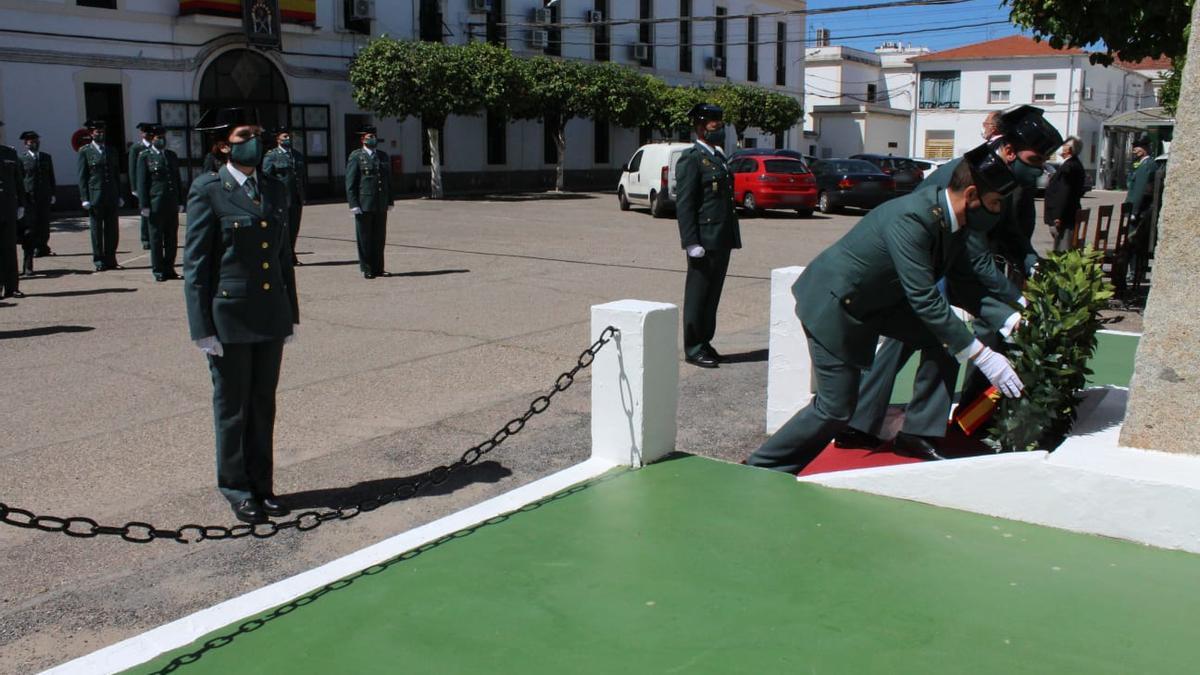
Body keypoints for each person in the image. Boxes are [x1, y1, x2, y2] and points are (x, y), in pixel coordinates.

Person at [746, 148, 1023, 474]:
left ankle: (918, 433)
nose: (997, 213)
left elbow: (964, 286)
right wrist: (982, 355)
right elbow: (924, 298)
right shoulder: (914, 218)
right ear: (972, 195)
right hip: (836, 303)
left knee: (943, 339)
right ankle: (760, 467)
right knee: (835, 409)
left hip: (877, 303)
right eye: (994, 204)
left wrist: (1010, 318)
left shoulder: (955, 223)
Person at [834, 105, 1063, 459]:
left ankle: (904, 427)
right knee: (914, 342)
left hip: (947, 266)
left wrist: (1032, 265)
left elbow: (1011, 233)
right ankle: (862, 424)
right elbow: (975, 258)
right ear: (1009, 149)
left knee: (935, 343)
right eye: (1035, 159)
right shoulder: (974, 174)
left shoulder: (1004, 175)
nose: (1038, 169)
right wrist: (1018, 303)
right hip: (922, 267)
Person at [184, 107, 299, 524]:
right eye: (245, 134)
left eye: (258, 133)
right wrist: (202, 328)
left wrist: (292, 313)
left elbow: (283, 256)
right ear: (222, 146)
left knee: (263, 405)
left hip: (270, 314)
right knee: (233, 408)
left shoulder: (274, 188)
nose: (256, 140)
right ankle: (236, 487)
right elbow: (197, 265)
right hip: (228, 317)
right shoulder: (208, 190)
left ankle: (262, 485)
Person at [674, 102, 741, 368]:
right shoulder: (691, 158)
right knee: (698, 294)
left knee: (713, 295)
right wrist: (690, 242)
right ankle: (693, 347)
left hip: (721, 237)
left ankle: (705, 341)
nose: (719, 128)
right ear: (701, 127)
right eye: (714, 124)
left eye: (720, 123)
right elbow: (686, 204)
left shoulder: (719, 157)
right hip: (703, 239)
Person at [345, 125, 394, 279]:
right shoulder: (356, 156)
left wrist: (390, 200)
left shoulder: (383, 156)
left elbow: (388, 181)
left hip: (380, 203)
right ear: (362, 139)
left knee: (379, 237)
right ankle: (367, 268)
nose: (372, 139)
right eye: (368, 137)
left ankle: (379, 268)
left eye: (373, 136)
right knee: (365, 237)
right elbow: (350, 182)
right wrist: (353, 204)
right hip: (364, 203)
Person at [137, 124, 183, 281]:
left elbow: (177, 179)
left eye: (163, 137)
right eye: (158, 138)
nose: (161, 140)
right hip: (155, 204)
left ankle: (169, 268)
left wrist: (181, 200)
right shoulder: (145, 156)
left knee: (171, 238)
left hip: (171, 202)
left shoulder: (171, 155)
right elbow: (142, 183)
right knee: (156, 238)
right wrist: (144, 205)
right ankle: (158, 270)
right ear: (152, 139)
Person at [77, 119, 123, 272]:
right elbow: (82, 176)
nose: (100, 134)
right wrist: (84, 198)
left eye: (102, 132)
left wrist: (119, 194)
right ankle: (99, 260)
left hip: (111, 194)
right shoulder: (85, 151)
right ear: (91, 134)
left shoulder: (111, 150)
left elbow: (116, 174)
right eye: (97, 132)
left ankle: (111, 259)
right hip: (95, 195)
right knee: (97, 230)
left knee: (112, 229)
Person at [263, 126, 307, 266]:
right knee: (283, 229)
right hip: (281, 199)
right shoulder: (272, 156)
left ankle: (291, 254)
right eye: (284, 137)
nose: (287, 139)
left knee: (294, 228)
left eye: (288, 136)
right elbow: (266, 177)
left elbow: (301, 177)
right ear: (278, 139)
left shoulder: (297, 155)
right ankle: (283, 256)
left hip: (295, 198)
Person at [1122, 135, 1157, 294]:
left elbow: (1139, 191)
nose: (1134, 150)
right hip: (1140, 210)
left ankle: (1133, 273)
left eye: (1137, 147)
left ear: (1145, 149)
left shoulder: (1146, 166)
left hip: (1139, 212)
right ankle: (1135, 271)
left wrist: (1134, 211)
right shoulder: (1144, 165)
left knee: (1133, 241)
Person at [19, 130, 56, 262]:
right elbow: (20, 179)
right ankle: (34, 248)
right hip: (30, 196)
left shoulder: (46, 157)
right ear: (26, 144)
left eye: (36, 141)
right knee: (32, 223)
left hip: (44, 195)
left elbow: (51, 176)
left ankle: (43, 247)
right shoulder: (22, 159)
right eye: (31, 142)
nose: (34, 143)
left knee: (44, 223)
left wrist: (53, 193)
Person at [1044, 136, 1086, 252]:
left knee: (1062, 249)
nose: (1062, 148)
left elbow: (1063, 193)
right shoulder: (1074, 164)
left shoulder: (1069, 167)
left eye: (1064, 146)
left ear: (1069, 150)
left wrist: (1058, 216)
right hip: (1068, 214)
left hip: (1064, 216)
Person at [0, 120, 26, 298]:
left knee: (9, 247)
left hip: (8, 206)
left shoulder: (10, 152)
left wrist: (22, 204)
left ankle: (12, 286)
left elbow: (19, 181)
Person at [129, 122, 154, 251]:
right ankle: (145, 239)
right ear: (141, 134)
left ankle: (154, 237)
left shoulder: (155, 147)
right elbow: (132, 169)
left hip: (154, 185)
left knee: (155, 212)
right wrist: (134, 187)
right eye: (145, 132)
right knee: (145, 212)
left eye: (149, 133)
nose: (147, 135)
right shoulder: (136, 148)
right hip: (142, 184)